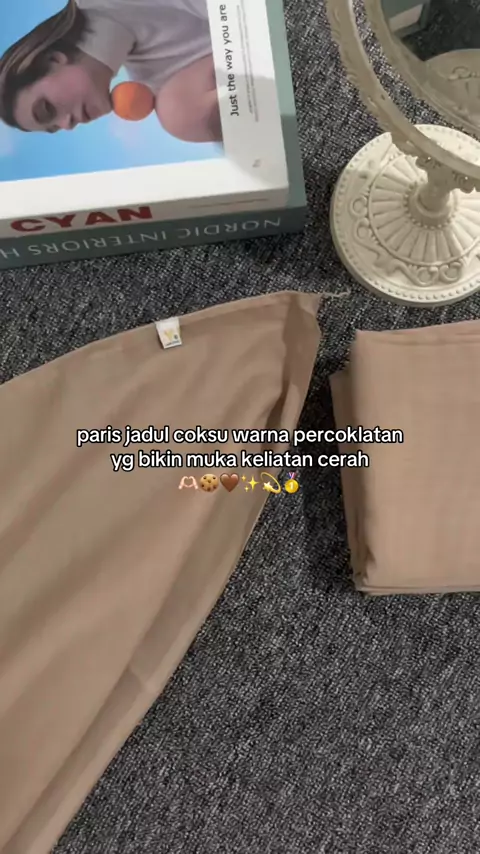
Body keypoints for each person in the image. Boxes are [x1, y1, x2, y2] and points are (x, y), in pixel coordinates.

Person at [0, 0, 221, 142]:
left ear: (53, 59)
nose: (67, 125)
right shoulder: (160, 88)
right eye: (55, 128)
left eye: (47, 110)